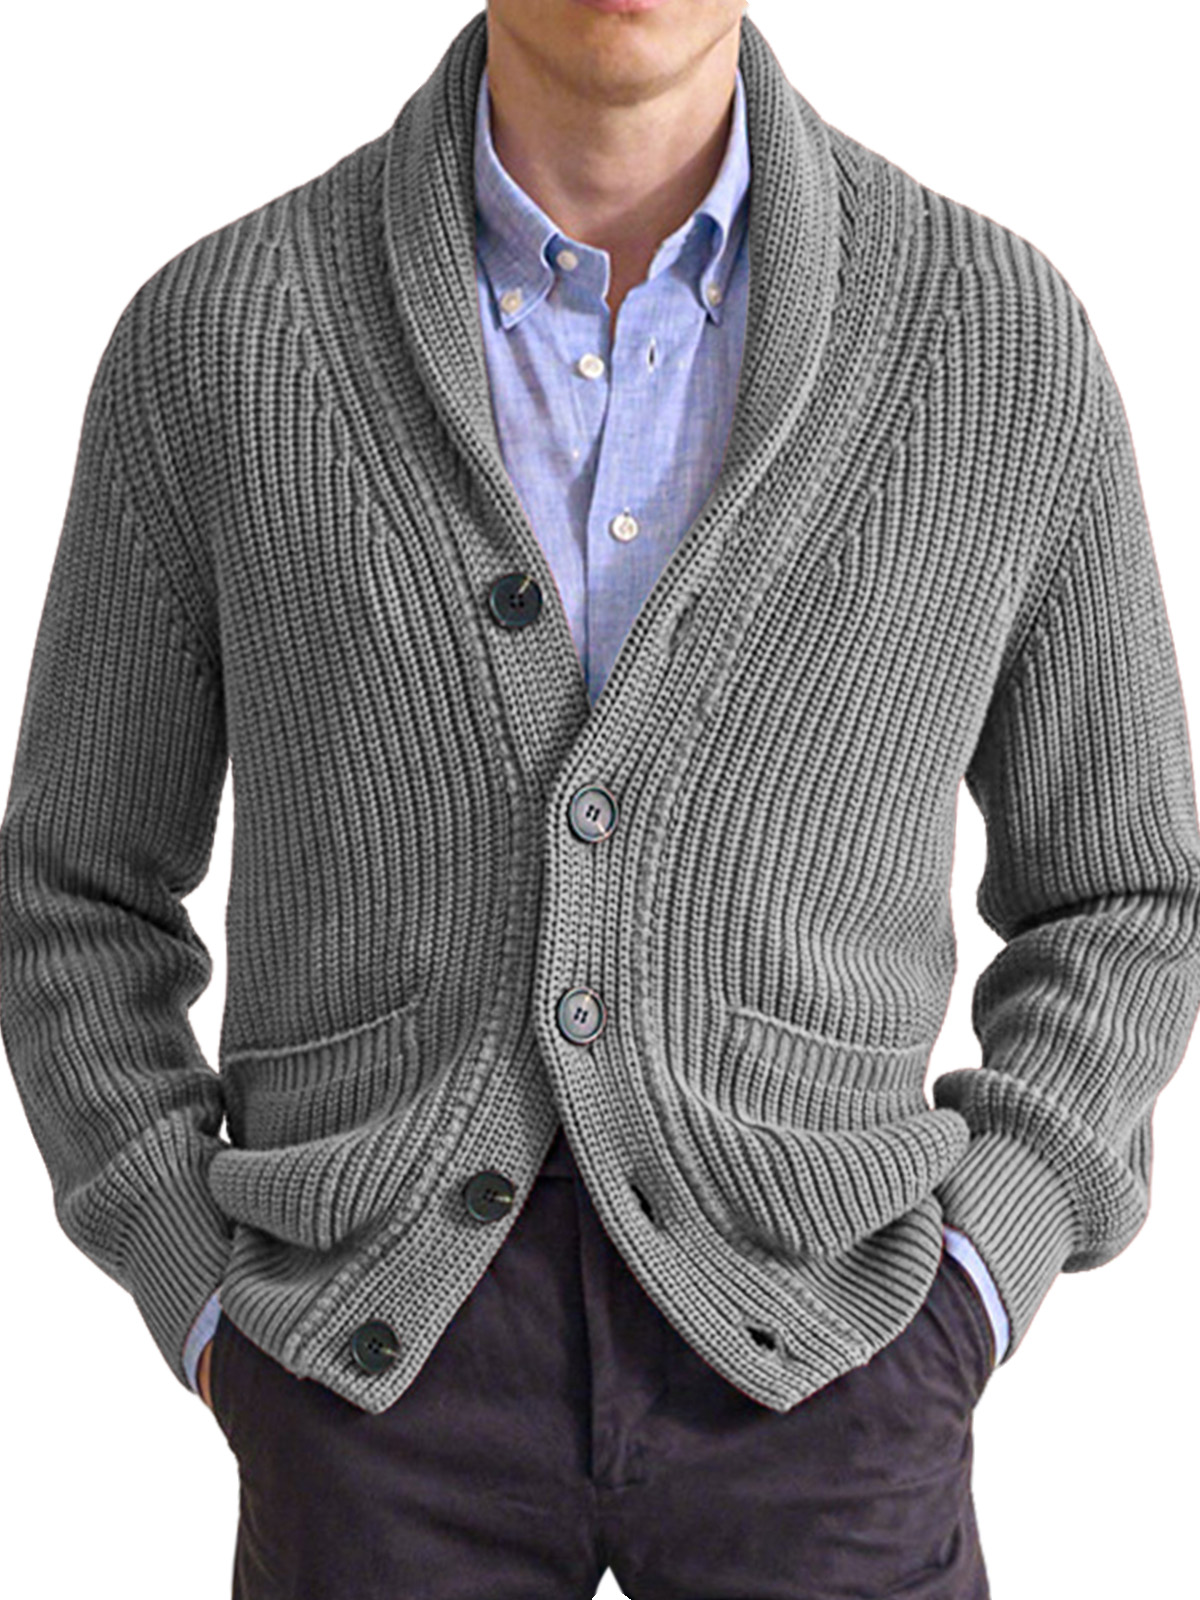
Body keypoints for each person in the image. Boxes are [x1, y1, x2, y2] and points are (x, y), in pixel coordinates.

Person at [3, 3, 1199, 1596]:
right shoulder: (223, 338)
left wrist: (983, 1268)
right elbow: (73, 894)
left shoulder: (993, 340)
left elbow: (1127, 890)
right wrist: (201, 1296)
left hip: (837, 1338)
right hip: (369, 1365)